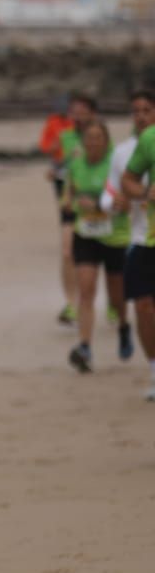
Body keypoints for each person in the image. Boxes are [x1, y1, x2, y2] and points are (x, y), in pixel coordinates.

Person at [64, 121, 129, 372]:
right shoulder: (76, 165)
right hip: (86, 235)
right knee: (86, 291)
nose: (93, 142)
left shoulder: (116, 164)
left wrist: (106, 206)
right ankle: (85, 347)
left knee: (116, 297)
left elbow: (126, 203)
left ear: (106, 140)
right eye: (89, 138)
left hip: (114, 237)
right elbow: (68, 199)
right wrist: (75, 203)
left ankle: (124, 325)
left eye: (98, 137)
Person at [103, 89, 155, 400]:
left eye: (146, 110)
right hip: (142, 237)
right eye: (135, 111)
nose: (140, 116)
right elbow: (120, 185)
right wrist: (139, 194)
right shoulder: (129, 150)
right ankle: (153, 369)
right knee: (144, 307)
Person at [47, 95, 101, 324]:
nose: (77, 116)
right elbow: (59, 165)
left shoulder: (101, 137)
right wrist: (54, 173)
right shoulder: (65, 137)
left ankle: (112, 304)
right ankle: (71, 303)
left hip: (99, 206)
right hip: (71, 203)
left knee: (103, 258)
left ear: (92, 113)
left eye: (81, 111)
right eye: (73, 112)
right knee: (68, 252)